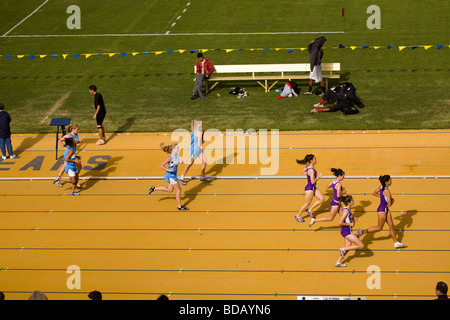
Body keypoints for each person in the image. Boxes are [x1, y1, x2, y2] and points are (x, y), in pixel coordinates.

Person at [356, 175, 406, 248]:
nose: (391, 181)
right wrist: (392, 201)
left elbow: (374, 193)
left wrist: (383, 198)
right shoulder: (387, 191)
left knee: (392, 226)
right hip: (382, 211)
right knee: (379, 228)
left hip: (385, 210)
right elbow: (389, 204)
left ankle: (396, 242)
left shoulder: (381, 186)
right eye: (390, 180)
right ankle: (362, 232)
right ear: (387, 182)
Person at [148, 143, 189, 211]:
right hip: (170, 176)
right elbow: (161, 165)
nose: (178, 149)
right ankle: (179, 206)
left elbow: (174, 164)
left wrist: (179, 162)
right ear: (173, 149)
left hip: (173, 175)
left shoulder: (176, 155)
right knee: (179, 190)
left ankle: (154, 188)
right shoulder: (169, 157)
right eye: (177, 148)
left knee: (170, 190)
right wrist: (168, 169)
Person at [179, 118, 211, 185]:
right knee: (190, 163)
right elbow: (199, 144)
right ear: (198, 124)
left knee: (204, 161)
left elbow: (190, 139)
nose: (202, 124)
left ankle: (202, 177)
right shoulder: (199, 132)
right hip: (195, 150)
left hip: (196, 148)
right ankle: (182, 177)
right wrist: (202, 140)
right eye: (201, 123)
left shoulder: (194, 130)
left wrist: (199, 139)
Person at [335, 195, 364, 267]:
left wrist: (353, 217)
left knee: (348, 246)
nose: (354, 201)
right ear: (349, 202)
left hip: (347, 231)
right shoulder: (346, 211)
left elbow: (347, 217)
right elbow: (340, 222)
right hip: (346, 232)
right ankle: (343, 249)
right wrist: (350, 224)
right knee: (361, 245)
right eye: (352, 200)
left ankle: (338, 262)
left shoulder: (347, 209)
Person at [294, 154, 324, 223]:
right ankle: (297, 216)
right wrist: (318, 176)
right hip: (310, 188)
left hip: (313, 187)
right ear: (311, 160)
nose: (316, 160)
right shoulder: (311, 170)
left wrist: (308, 175)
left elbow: (302, 171)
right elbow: (313, 181)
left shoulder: (308, 167)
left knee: (322, 199)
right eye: (315, 159)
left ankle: (309, 210)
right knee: (307, 203)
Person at [53, 124, 83, 188]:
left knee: (66, 166)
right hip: (69, 153)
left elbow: (74, 142)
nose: (78, 130)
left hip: (73, 152)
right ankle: (74, 180)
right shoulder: (68, 136)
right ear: (73, 129)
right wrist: (65, 148)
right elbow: (59, 140)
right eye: (77, 129)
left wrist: (79, 141)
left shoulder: (76, 135)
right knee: (78, 166)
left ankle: (60, 178)